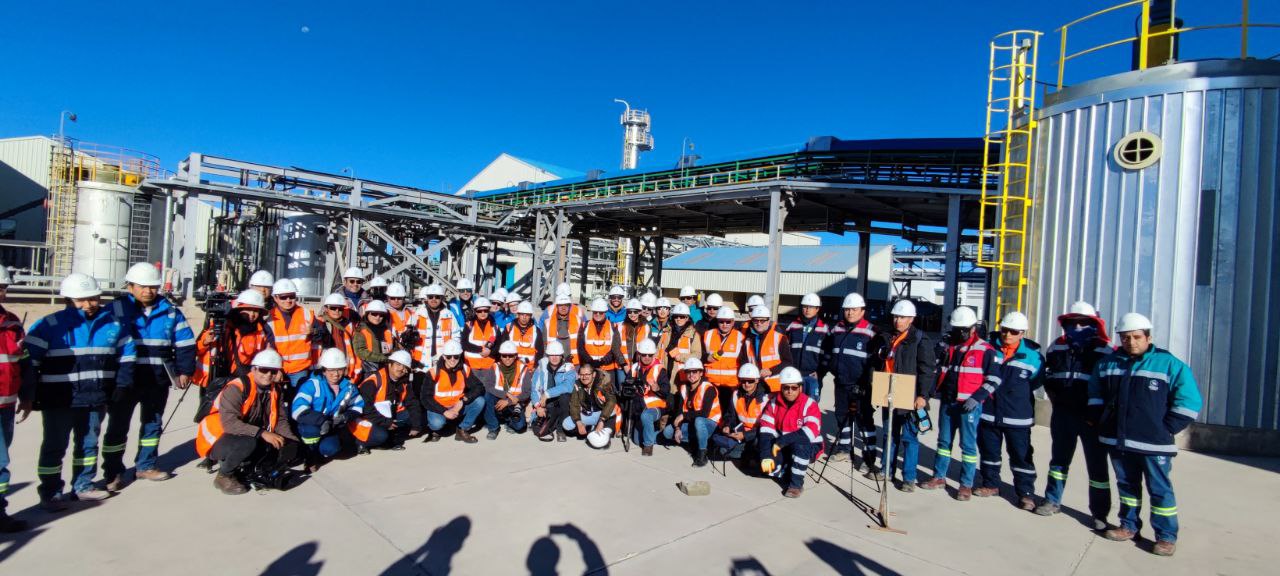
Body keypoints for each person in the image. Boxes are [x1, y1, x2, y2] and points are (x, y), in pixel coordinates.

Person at [1090, 313, 1201, 557]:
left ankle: (1166, 536)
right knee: (1127, 486)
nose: (1131, 342)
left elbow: (1190, 401)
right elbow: (1095, 392)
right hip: (1118, 440)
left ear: (1148, 337)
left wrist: (1166, 428)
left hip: (1154, 445)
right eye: (1125, 337)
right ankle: (1128, 526)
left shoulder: (1169, 364)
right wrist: (1101, 420)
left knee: (1160, 490)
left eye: (1136, 337)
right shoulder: (1109, 363)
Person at [26, 273, 136, 508]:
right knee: (55, 445)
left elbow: (127, 356)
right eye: (81, 300)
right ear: (68, 300)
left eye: (93, 298)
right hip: (59, 400)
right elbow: (29, 363)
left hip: (95, 397)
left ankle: (83, 485)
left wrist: (122, 385)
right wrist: (31, 395)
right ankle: (50, 491)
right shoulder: (48, 326)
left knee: (88, 444)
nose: (89, 305)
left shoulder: (113, 324)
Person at [101, 263, 196, 491]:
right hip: (125, 380)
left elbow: (184, 343)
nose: (148, 291)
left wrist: (184, 371)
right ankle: (112, 472)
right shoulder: (115, 309)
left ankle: (146, 465)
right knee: (118, 426)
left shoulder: (170, 311)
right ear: (130, 286)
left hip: (157, 379)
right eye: (142, 286)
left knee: (152, 425)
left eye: (153, 287)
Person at [1035, 301, 1114, 528]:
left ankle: (1100, 514)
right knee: (1059, 461)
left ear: (1093, 324)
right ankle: (1052, 500)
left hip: (1092, 419)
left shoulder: (1105, 351)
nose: (1077, 327)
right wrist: (1057, 402)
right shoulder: (1056, 347)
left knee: (1097, 466)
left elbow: (1111, 388)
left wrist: (1098, 414)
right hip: (1063, 414)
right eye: (1073, 323)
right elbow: (1049, 378)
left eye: (1083, 322)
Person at [920, 306, 1002, 501]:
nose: (959, 333)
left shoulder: (985, 350)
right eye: (956, 329)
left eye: (963, 329)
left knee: (968, 446)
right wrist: (928, 395)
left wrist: (978, 397)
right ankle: (939, 477)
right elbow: (937, 372)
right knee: (944, 442)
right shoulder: (948, 347)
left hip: (969, 406)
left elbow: (995, 379)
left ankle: (966, 484)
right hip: (948, 403)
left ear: (973, 328)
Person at [196, 350, 299, 495]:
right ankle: (224, 475)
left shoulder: (275, 390)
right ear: (254, 369)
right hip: (217, 437)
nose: (268, 375)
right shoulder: (237, 388)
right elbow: (230, 424)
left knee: (279, 446)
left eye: (273, 371)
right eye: (263, 370)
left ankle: (246, 466)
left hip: (244, 432)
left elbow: (280, 419)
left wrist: (291, 441)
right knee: (248, 443)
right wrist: (262, 433)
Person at [974, 312, 1044, 510]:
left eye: (1013, 332)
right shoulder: (989, 349)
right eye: (1004, 330)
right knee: (989, 452)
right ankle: (990, 484)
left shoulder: (1034, 356)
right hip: (988, 412)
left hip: (1017, 417)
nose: (1008, 335)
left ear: (1022, 333)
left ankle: (1025, 493)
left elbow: (1036, 382)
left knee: (1021, 456)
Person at [873, 299, 937, 492]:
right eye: (895, 316)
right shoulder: (888, 337)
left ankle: (909, 478)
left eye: (901, 317)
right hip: (889, 391)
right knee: (889, 434)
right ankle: (886, 470)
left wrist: (923, 395)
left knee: (909, 438)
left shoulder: (919, 339)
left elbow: (927, 370)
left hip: (910, 395)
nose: (897, 320)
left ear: (911, 319)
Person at [824, 293, 876, 470]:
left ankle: (869, 459)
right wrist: (832, 368)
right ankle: (844, 449)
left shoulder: (871, 331)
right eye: (847, 309)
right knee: (841, 416)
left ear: (862, 310)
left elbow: (875, 363)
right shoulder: (837, 329)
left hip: (861, 386)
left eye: (854, 309)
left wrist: (867, 382)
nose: (850, 313)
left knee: (864, 421)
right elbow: (829, 351)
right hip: (841, 382)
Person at [292, 349, 366, 470]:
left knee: (331, 448)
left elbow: (358, 406)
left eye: (340, 369)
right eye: (331, 370)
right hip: (311, 425)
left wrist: (345, 417)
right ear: (324, 370)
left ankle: (321, 452)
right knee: (311, 431)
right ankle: (309, 455)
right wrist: (322, 420)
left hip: (332, 427)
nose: (336, 374)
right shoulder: (312, 384)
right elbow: (297, 409)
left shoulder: (349, 387)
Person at [0, 265, 34, 531]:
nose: (1, 293)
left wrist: (26, 396)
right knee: (0, 461)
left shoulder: (12, 323)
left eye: (3, 288)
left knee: (2, 459)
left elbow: (23, 363)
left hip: (7, 404)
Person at [758, 367, 822, 498]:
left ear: (800, 387)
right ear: (781, 387)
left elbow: (809, 432)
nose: (789, 391)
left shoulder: (810, 404)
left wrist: (782, 442)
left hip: (809, 444)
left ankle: (796, 485)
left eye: (794, 388)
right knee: (768, 467)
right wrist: (765, 455)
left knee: (800, 446)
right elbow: (766, 429)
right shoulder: (774, 403)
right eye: (786, 387)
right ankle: (786, 468)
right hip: (783, 444)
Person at [415, 341, 486, 443]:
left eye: (456, 356)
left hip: (458, 405)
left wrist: (463, 400)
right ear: (444, 356)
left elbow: (479, 387)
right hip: (438, 407)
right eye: (449, 357)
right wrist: (444, 411)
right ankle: (435, 430)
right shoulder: (434, 372)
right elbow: (425, 398)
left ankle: (462, 429)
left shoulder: (464, 369)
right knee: (437, 423)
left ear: (460, 356)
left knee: (480, 401)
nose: (452, 359)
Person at [662, 358, 720, 467]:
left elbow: (704, 414)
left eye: (695, 371)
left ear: (701, 373)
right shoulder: (684, 388)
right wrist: (678, 428)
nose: (691, 375)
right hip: (693, 422)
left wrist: (684, 415)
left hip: (710, 424)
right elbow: (680, 411)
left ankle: (702, 454)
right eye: (689, 372)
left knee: (699, 421)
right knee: (668, 432)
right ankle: (696, 440)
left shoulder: (708, 388)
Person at [354, 350, 417, 450]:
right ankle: (360, 442)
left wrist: (416, 425)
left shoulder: (402, 382)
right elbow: (365, 408)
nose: (401, 369)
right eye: (398, 364)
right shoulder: (373, 381)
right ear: (390, 364)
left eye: (405, 367)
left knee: (410, 417)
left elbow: (412, 402)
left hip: (383, 415)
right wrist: (385, 423)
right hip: (365, 418)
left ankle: (389, 437)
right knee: (381, 436)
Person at [711, 363, 769, 466]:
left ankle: (752, 456)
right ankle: (745, 454)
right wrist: (727, 426)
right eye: (743, 381)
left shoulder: (766, 398)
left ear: (757, 380)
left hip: (758, 434)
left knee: (757, 443)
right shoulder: (736, 395)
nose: (746, 384)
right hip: (740, 433)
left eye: (750, 381)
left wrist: (745, 435)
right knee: (723, 450)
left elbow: (767, 427)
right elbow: (730, 415)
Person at [265, 278, 318, 392]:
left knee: (299, 400)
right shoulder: (268, 318)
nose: (288, 300)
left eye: (292, 296)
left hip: (300, 369)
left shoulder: (307, 314)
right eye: (283, 297)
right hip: (277, 367)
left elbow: (324, 336)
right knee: (275, 399)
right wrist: (275, 368)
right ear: (275, 298)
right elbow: (269, 346)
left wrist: (313, 331)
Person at [480, 341, 532, 440]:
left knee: (520, 426)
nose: (507, 358)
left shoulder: (523, 368)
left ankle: (509, 422)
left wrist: (508, 401)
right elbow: (488, 386)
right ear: (500, 356)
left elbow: (527, 392)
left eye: (510, 355)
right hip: (498, 399)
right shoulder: (495, 367)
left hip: (515, 402)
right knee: (487, 396)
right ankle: (493, 427)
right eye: (504, 355)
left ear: (515, 356)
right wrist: (506, 394)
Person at [626, 339, 668, 456]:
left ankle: (648, 446)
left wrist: (657, 388)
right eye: (644, 355)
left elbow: (666, 392)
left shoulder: (660, 369)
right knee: (637, 440)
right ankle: (660, 435)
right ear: (639, 354)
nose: (647, 357)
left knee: (646, 416)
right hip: (639, 407)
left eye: (650, 355)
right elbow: (627, 385)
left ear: (653, 354)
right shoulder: (634, 368)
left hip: (655, 407)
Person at [405, 284, 461, 370]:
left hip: (443, 360)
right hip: (421, 361)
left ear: (442, 298)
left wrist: (450, 355)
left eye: (437, 297)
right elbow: (408, 338)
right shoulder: (417, 314)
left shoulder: (449, 315)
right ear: (427, 298)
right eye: (431, 297)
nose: (434, 299)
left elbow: (456, 336)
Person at [531, 340, 577, 442]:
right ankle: (553, 422)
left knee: (565, 396)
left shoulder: (568, 367)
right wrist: (538, 406)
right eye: (552, 355)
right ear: (547, 355)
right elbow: (534, 389)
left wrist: (547, 393)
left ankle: (561, 429)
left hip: (564, 403)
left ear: (562, 356)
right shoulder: (541, 367)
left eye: (557, 355)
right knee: (539, 431)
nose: (554, 357)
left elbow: (568, 386)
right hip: (547, 404)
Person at [785, 293, 829, 399]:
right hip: (794, 375)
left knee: (811, 407)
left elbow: (828, 355)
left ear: (817, 309)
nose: (807, 310)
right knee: (793, 407)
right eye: (805, 306)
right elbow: (785, 350)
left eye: (811, 307)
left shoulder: (824, 329)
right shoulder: (793, 326)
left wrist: (821, 372)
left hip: (812, 377)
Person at [702, 306, 745, 411]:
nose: (725, 324)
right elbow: (698, 355)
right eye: (722, 322)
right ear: (717, 321)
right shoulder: (707, 335)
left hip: (731, 386)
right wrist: (706, 357)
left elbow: (744, 361)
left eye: (728, 322)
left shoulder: (741, 338)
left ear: (733, 322)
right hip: (711, 384)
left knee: (726, 416)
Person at [743, 306, 793, 393]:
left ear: (768, 321)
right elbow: (743, 361)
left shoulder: (779, 338)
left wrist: (771, 371)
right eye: (756, 320)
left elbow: (788, 362)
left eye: (762, 320)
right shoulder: (747, 340)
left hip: (775, 388)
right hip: (755, 387)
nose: (759, 323)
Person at [565, 363, 619, 443]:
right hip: (587, 414)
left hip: (602, 414)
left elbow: (611, 401)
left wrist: (601, 420)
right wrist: (578, 422)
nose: (584, 377)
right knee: (566, 424)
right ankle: (590, 428)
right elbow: (574, 404)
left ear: (593, 374)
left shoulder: (603, 382)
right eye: (581, 374)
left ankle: (603, 428)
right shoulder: (577, 384)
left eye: (587, 374)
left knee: (600, 441)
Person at [579, 298, 625, 386]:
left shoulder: (613, 326)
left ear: (605, 312)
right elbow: (580, 347)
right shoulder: (585, 325)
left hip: (608, 368)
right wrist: (590, 361)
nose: (598, 314)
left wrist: (602, 361)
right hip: (589, 369)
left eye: (601, 312)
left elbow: (615, 348)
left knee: (608, 395)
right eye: (595, 312)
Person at [314, 292, 357, 380]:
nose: (337, 311)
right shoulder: (319, 322)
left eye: (340, 309)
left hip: (343, 365)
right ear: (326, 308)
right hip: (326, 367)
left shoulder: (349, 325)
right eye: (333, 308)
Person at [353, 300, 396, 380]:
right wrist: (383, 358)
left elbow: (393, 347)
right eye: (374, 314)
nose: (377, 317)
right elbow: (361, 351)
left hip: (386, 369)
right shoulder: (361, 330)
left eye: (381, 315)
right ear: (367, 314)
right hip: (368, 370)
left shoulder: (386, 331)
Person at [495, 302, 545, 368]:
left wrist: (535, 367)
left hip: (529, 369)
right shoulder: (509, 328)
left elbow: (540, 352)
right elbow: (502, 348)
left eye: (527, 315)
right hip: (512, 368)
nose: (524, 317)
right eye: (522, 314)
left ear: (531, 316)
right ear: (518, 314)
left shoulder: (536, 330)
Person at [666, 303, 703, 387]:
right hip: (665, 373)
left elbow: (697, 355)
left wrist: (680, 357)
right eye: (676, 316)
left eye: (682, 317)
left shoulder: (693, 334)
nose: (678, 319)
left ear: (687, 318)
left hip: (681, 376)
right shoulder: (667, 331)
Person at [543, 293, 582, 365]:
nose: (563, 308)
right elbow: (544, 345)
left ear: (569, 306)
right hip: (554, 363)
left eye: (566, 305)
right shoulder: (547, 323)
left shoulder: (578, 321)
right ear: (557, 306)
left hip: (574, 363)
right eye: (561, 305)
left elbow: (582, 345)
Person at [461, 297, 498, 371]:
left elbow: (499, 344)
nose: (483, 313)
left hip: (489, 368)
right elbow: (464, 344)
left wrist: (490, 352)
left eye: (485, 310)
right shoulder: (469, 325)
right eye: (480, 311)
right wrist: (480, 349)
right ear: (475, 311)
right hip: (471, 367)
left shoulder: (495, 327)